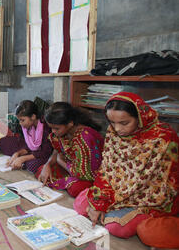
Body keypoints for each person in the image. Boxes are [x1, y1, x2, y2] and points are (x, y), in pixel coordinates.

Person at [73, 92, 178, 241]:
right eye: (112, 122)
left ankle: (118, 214)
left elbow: (168, 181)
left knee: (117, 227)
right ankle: (108, 212)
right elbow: (106, 169)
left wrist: (124, 196)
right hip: (115, 189)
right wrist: (100, 202)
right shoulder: (113, 132)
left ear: (140, 118)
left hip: (146, 196)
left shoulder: (164, 137)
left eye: (124, 123)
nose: (117, 129)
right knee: (80, 204)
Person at [36, 102, 104, 198]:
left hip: (89, 176)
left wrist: (60, 161)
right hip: (71, 167)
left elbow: (84, 174)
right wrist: (48, 165)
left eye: (56, 128)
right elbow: (56, 152)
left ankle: (67, 183)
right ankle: (66, 182)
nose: (53, 132)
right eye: (51, 128)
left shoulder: (85, 137)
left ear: (70, 123)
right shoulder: (62, 133)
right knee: (41, 170)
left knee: (76, 188)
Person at [5, 100, 53, 173]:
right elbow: (28, 145)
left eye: (22, 120)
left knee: (32, 165)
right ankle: (21, 161)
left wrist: (23, 158)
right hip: (34, 152)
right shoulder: (28, 126)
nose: (20, 123)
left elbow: (45, 152)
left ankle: (23, 163)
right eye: (19, 120)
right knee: (6, 142)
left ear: (33, 117)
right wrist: (17, 154)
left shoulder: (45, 127)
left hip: (45, 154)